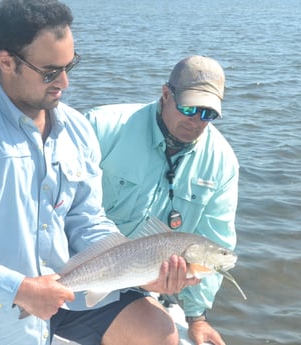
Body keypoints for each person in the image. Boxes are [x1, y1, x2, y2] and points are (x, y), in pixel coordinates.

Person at [0, 1, 196, 344]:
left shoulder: (78, 129)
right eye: (50, 72)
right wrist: (19, 288)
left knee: (159, 331)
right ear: (6, 62)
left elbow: (87, 220)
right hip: (0, 307)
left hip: (74, 291)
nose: (64, 82)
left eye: (69, 65)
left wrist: (136, 270)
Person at [85, 55, 239, 345]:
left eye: (207, 114)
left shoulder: (222, 163)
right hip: (74, 258)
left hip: (139, 280)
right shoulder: (101, 127)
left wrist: (196, 317)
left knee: (165, 337)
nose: (196, 121)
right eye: (189, 107)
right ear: (166, 94)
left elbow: (214, 238)